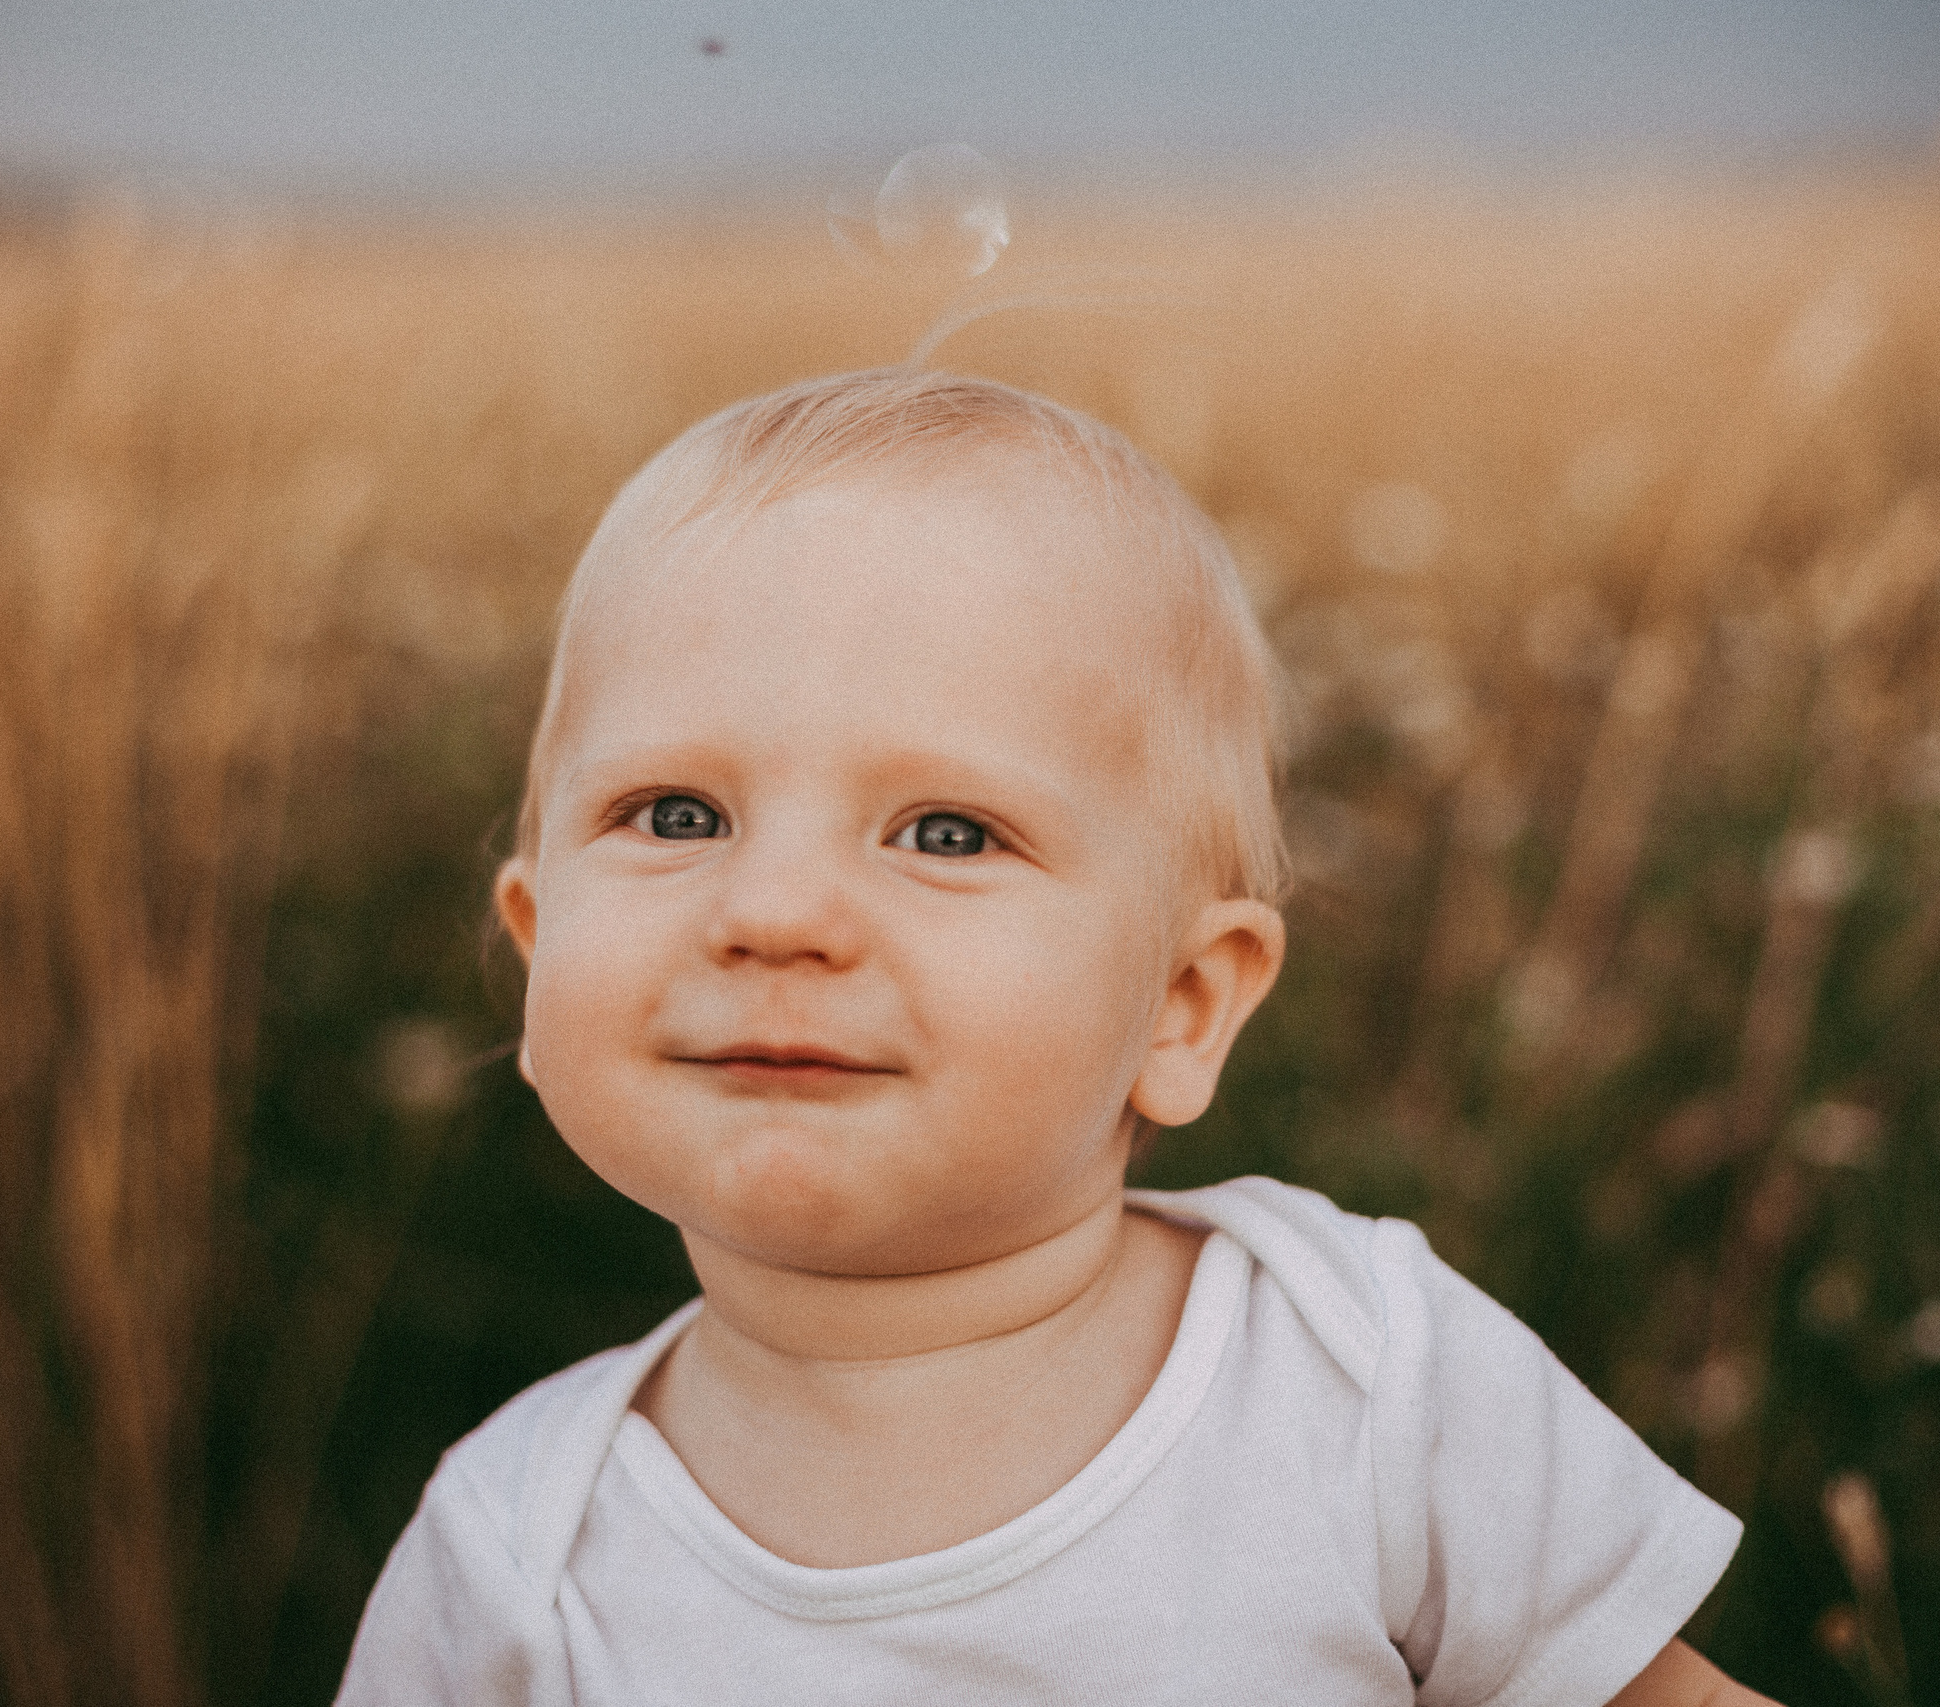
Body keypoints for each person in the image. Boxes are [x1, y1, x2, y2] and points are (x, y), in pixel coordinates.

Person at [336, 369, 1772, 1705]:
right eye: (675, 816)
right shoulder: (516, 1552)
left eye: (946, 832)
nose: (771, 911)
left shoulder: (1363, 1380)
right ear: (535, 955)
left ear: (1182, 1007)